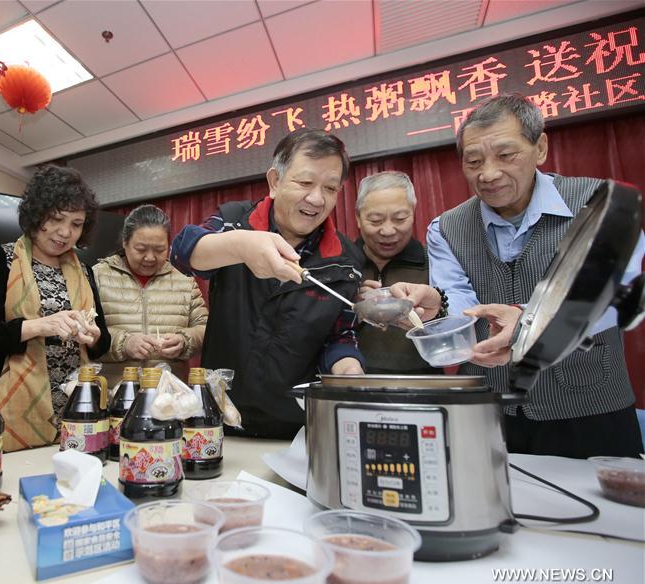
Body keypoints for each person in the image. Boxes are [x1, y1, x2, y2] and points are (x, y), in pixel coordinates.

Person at [170, 129, 443, 439]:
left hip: (297, 425)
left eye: (330, 188)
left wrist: (349, 371)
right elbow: (182, 251)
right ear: (275, 181)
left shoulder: (344, 260)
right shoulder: (235, 221)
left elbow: (339, 335)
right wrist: (241, 246)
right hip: (219, 417)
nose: (316, 198)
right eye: (305, 183)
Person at [427, 93, 645, 458]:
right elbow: (458, 300)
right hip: (490, 411)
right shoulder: (446, 227)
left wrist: (531, 319)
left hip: (590, 406)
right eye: (474, 161)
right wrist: (438, 308)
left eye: (506, 155)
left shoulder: (598, 203)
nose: (488, 173)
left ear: (540, 147)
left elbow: (622, 291)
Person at [0, 165, 110, 453]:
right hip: (14, 402)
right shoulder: (0, 258)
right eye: (56, 218)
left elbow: (102, 340)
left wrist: (93, 336)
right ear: (36, 215)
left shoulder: (85, 272)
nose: (65, 232)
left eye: (76, 224)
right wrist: (36, 326)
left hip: (77, 404)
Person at [92, 204, 207, 386]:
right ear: (125, 242)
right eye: (141, 249)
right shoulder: (97, 277)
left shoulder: (184, 282)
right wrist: (124, 343)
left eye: (159, 250)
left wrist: (184, 340)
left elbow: (204, 328)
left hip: (169, 397)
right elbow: (85, 329)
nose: (150, 258)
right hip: (113, 394)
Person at [354, 171, 444, 375]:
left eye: (400, 218)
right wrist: (349, 307)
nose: (388, 231)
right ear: (358, 218)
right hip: (355, 382)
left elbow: (456, 325)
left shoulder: (435, 261)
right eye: (375, 220)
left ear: (414, 213)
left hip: (424, 384)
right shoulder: (341, 266)